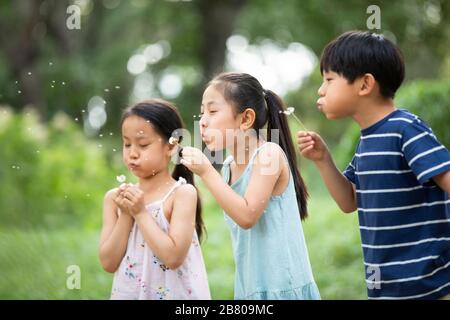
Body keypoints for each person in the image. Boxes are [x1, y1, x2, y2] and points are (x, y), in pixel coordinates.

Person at [298, 31, 450, 299]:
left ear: (365, 84)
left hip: (428, 287)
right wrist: (323, 160)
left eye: (329, 80)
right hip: (386, 287)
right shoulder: (366, 140)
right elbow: (349, 201)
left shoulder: (405, 129)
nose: (321, 90)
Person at [181, 72, 320, 300]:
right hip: (250, 287)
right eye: (202, 112)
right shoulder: (228, 167)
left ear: (245, 119)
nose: (203, 121)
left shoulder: (269, 155)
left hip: (282, 286)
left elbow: (247, 216)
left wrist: (206, 171)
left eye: (213, 111)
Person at [99, 99, 211, 300]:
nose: (132, 153)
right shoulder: (114, 199)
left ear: (171, 146)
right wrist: (126, 214)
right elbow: (108, 263)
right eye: (126, 144)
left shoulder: (182, 195)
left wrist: (140, 213)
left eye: (143, 145)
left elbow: (173, 257)